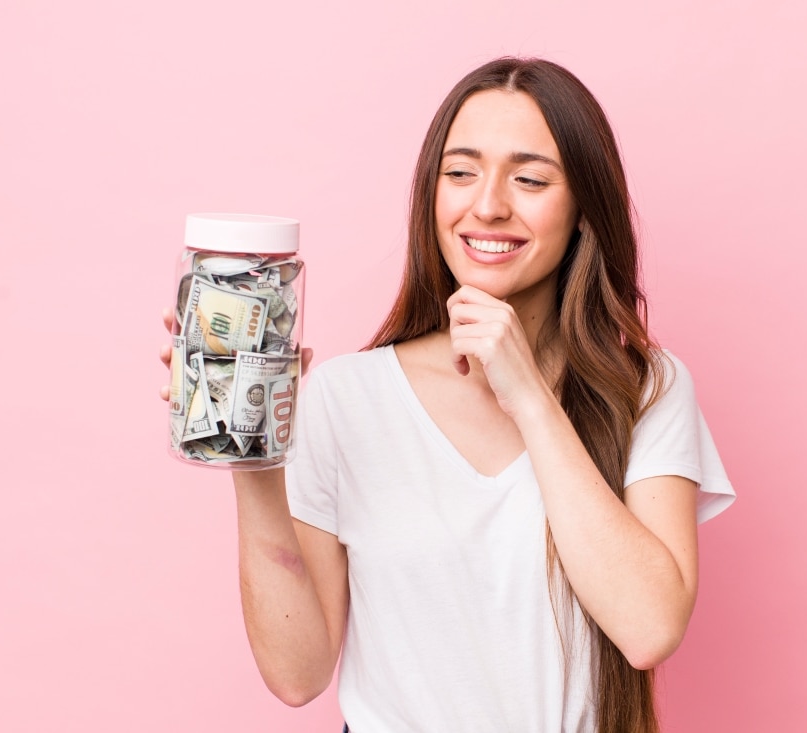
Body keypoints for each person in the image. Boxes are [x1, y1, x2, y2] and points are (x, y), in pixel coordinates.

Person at [162, 57, 734, 733]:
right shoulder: (347, 396)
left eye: (529, 179)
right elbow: (297, 674)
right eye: (460, 172)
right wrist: (254, 453)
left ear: (584, 207)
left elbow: (649, 626)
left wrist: (529, 397)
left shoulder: (646, 388)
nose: (486, 204)